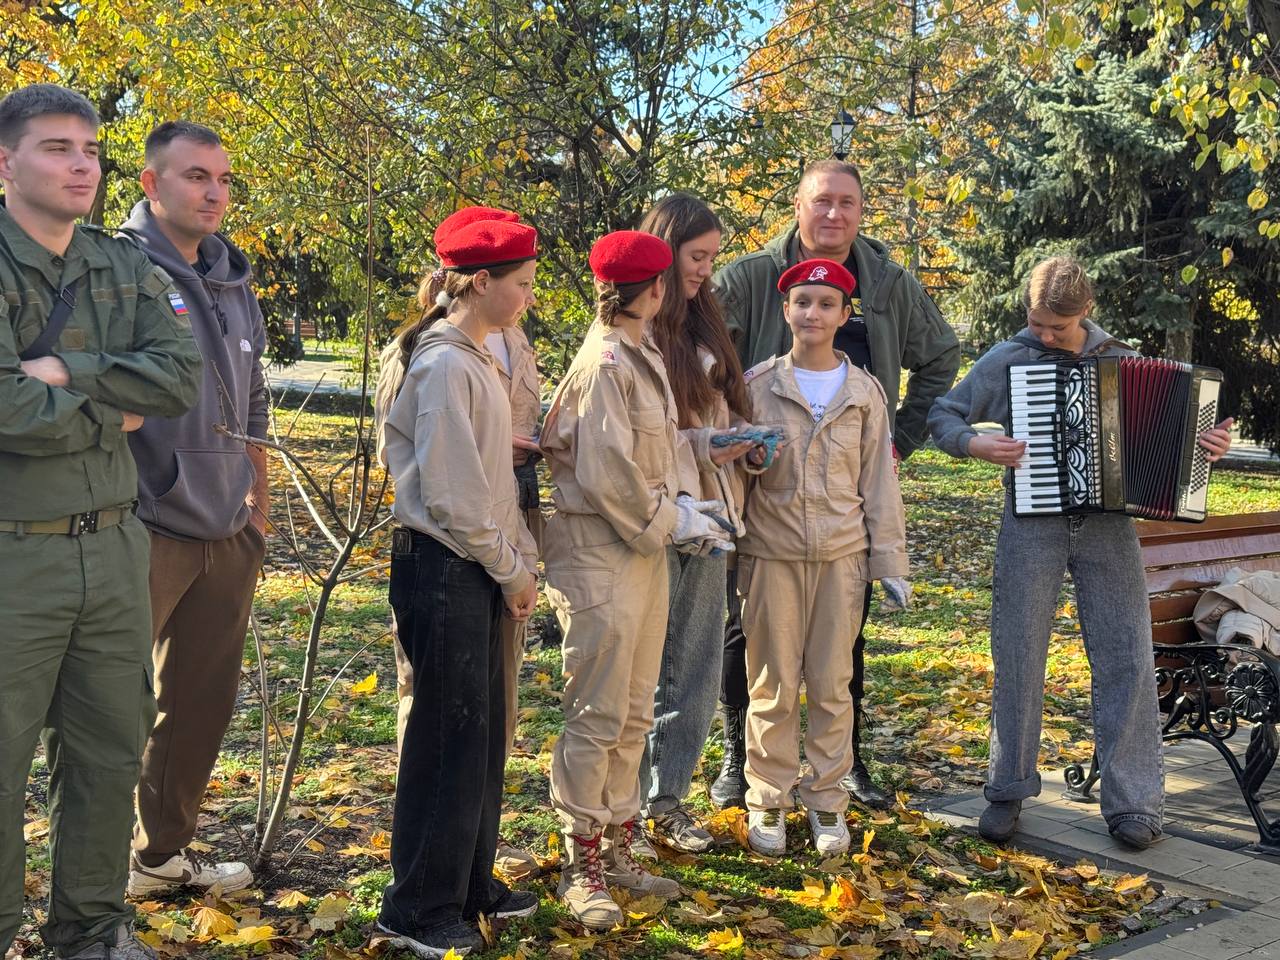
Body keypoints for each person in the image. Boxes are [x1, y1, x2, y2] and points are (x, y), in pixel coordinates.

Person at [927, 254, 1234, 850]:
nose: (1045, 336)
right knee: (1017, 653)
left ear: (1086, 312)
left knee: (1126, 655)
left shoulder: (1123, 360)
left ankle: (1135, 803)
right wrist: (974, 445)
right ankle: (1008, 789)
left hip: (1109, 529)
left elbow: (1179, 449)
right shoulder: (1009, 358)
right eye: (1037, 324)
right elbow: (945, 413)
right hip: (1031, 524)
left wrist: (1209, 446)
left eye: (1057, 329)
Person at [0, 85, 201, 960]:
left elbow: (177, 379)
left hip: (116, 545)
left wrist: (64, 368)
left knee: (109, 747)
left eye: (89, 149)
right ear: (6, 163)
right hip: (14, 557)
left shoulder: (121, 265)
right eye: (56, 148)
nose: (81, 164)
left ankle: (90, 929)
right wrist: (105, 404)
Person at [711, 158, 960, 810]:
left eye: (846, 203)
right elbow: (700, 361)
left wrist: (899, 441)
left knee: (843, 639)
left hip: (846, 495)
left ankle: (840, 767)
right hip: (759, 492)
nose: (834, 215)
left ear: (860, 211)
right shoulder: (750, 278)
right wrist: (724, 437)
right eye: (821, 202)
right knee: (748, 633)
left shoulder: (888, 284)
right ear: (797, 206)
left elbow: (939, 358)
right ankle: (742, 760)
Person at [540, 230, 733, 930]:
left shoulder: (640, 351)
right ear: (651, 290)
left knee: (632, 710)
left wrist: (689, 495)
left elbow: (645, 454)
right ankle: (580, 860)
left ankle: (618, 843)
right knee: (596, 715)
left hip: (639, 554)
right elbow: (607, 474)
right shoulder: (606, 364)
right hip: (601, 557)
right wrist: (671, 519)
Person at [377, 216, 542, 957]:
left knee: (478, 737)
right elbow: (451, 494)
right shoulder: (444, 364)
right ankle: (415, 906)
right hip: (444, 565)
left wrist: (513, 560)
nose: (530, 298)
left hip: (473, 563)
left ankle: (470, 882)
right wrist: (510, 568)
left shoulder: (474, 358)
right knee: (447, 738)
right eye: (523, 284)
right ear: (482, 283)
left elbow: (485, 479)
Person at [121, 121, 268, 898]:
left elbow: (253, 401)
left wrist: (260, 504)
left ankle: (159, 858)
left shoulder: (235, 281)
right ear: (151, 183)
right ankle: (81, 876)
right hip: (142, 525)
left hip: (228, 526)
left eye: (222, 179)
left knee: (200, 706)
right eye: (194, 176)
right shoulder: (116, 268)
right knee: (111, 707)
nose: (213, 193)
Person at [736, 259, 909, 856]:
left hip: (842, 559)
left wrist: (889, 563)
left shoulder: (864, 393)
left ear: (843, 315)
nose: (813, 313)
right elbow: (735, 475)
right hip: (771, 556)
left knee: (834, 687)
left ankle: (828, 802)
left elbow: (879, 483)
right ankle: (767, 802)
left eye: (826, 304)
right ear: (786, 311)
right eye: (803, 302)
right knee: (773, 686)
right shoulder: (757, 386)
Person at [635, 195, 756, 853]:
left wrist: (744, 443)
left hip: (711, 517)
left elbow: (722, 411)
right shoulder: (635, 330)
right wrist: (703, 448)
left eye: (713, 257)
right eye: (698, 256)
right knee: (646, 669)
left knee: (697, 666)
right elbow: (635, 443)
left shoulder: (706, 319)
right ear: (665, 248)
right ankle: (623, 808)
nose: (707, 270)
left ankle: (669, 802)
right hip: (656, 519)